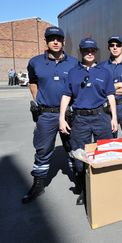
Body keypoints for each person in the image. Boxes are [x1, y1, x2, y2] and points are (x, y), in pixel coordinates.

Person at [22, 26, 78, 204]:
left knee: (73, 148)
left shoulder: (74, 63)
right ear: (46, 41)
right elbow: (32, 82)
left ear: (63, 41)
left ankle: (79, 181)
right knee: (43, 150)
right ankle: (38, 185)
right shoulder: (35, 62)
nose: (55, 41)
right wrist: (37, 99)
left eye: (58, 39)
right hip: (46, 114)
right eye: (51, 38)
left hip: (68, 114)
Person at [59, 37, 118, 205]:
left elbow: (110, 96)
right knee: (80, 157)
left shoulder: (104, 72)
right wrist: (61, 118)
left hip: (101, 117)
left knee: (105, 153)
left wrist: (114, 117)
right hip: (80, 119)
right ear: (81, 52)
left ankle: (105, 188)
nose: (89, 53)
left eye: (92, 50)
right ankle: (85, 190)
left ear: (96, 52)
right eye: (86, 50)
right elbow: (66, 95)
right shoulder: (73, 72)